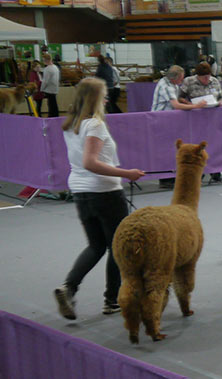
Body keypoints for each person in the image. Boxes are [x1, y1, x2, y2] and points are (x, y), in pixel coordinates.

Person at [51, 77, 146, 320]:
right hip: (104, 192)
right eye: (104, 95)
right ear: (95, 98)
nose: (106, 99)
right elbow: (91, 162)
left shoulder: (71, 124)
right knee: (117, 246)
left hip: (81, 192)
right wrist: (128, 173)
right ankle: (111, 300)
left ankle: (69, 287)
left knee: (95, 245)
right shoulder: (95, 125)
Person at [39, 53, 60, 117]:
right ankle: (55, 116)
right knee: (54, 104)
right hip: (55, 88)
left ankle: (51, 117)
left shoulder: (47, 69)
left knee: (51, 105)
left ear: (46, 60)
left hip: (49, 89)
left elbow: (45, 81)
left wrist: (41, 89)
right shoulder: (55, 67)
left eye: (43, 60)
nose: (43, 62)